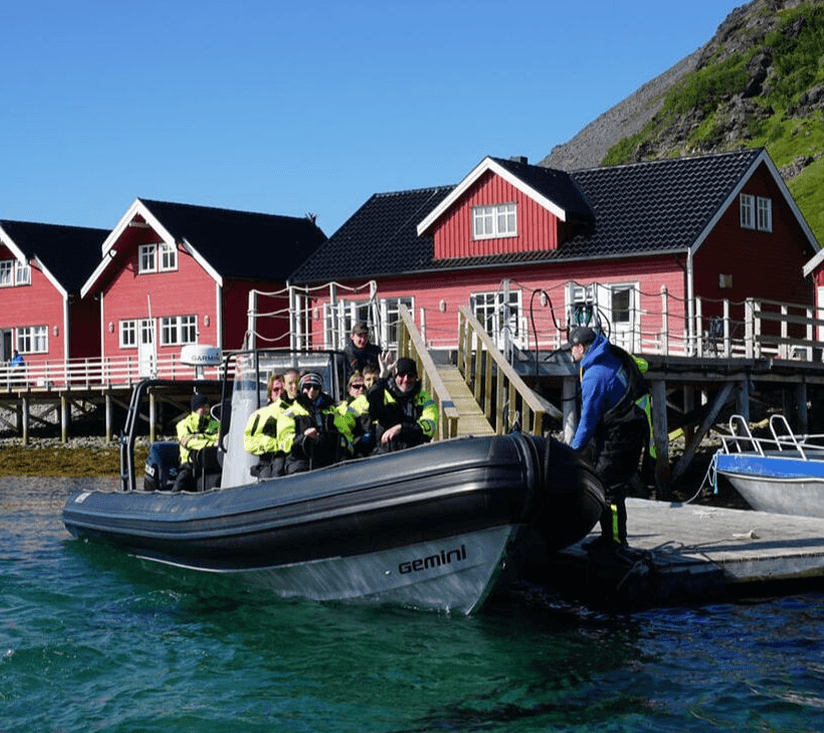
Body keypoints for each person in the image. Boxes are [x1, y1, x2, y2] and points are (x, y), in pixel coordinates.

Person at [563, 326, 649, 549]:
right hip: (628, 425)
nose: (570, 352)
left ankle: (615, 543)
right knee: (608, 483)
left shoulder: (594, 376)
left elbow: (588, 421)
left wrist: (572, 451)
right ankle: (610, 538)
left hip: (621, 433)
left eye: (572, 348)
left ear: (581, 348)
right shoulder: (609, 355)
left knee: (609, 488)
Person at [276, 372, 355, 474]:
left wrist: (346, 449)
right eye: (307, 387)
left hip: (329, 458)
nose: (312, 390)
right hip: (301, 459)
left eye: (315, 387)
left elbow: (346, 434)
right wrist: (303, 437)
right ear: (301, 389)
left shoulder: (331, 411)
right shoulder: (291, 412)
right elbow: (284, 441)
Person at [367, 357, 438, 452]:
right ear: (395, 377)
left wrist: (402, 428)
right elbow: (373, 412)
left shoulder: (423, 397)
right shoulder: (382, 393)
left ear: (416, 377)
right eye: (401, 375)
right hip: (383, 455)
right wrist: (381, 379)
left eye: (410, 375)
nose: (406, 380)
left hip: (413, 454)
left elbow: (430, 426)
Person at [174, 393, 220, 491]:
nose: (205, 409)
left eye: (207, 406)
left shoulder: (215, 423)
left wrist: (200, 436)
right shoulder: (183, 425)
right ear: (195, 408)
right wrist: (211, 443)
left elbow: (220, 438)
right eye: (202, 407)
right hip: (190, 465)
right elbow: (188, 442)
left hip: (212, 464)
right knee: (179, 487)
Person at [338, 370, 375, 456]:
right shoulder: (342, 407)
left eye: (364, 387)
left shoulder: (372, 403)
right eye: (357, 386)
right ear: (349, 389)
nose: (361, 389)